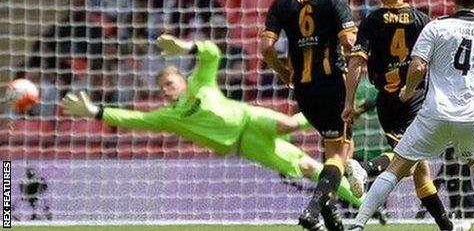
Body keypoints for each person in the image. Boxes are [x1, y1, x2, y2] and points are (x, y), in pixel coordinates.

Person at [61, 34, 365, 211]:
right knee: (310, 168)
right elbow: (134, 119)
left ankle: (340, 111)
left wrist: (187, 48)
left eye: (171, 81)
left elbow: (212, 54)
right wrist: (96, 112)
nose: (167, 88)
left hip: (248, 117)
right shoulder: (169, 116)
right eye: (163, 86)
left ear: (181, 78)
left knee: (289, 123)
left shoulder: (199, 84)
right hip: (243, 143)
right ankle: (360, 201)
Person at [348, 0, 474, 231]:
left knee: (398, 168)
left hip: (431, 111)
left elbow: (417, 65)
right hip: (470, 114)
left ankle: (358, 223)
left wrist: (407, 90)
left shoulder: (436, 27)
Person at [341, 0, 466, 230]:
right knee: (408, 163)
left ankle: (447, 227)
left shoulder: (371, 21)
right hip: (414, 99)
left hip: (386, 102)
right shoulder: (423, 20)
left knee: (420, 170)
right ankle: (366, 168)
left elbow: (356, 63)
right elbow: (438, 63)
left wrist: (348, 103)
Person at [259, 0, 363, 229]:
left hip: (304, 89)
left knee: (330, 148)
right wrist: (363, 55)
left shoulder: (282, 2)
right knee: (340, 154)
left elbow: (265, 47)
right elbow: (349, 41)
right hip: (332, 85)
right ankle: (313, 210)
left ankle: (330, 214)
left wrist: (284, 73)